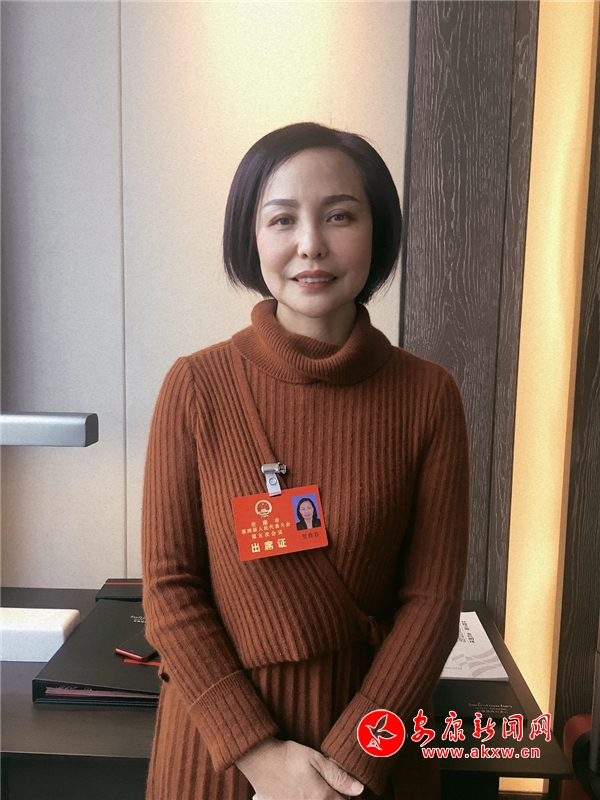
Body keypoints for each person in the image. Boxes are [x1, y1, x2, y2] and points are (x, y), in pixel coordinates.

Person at [142, 122, 470, 800]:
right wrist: (260, 757)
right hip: (219, 760)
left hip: (372, 762)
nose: (311, 244)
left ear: (377, 231)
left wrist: (349, 765)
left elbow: (432, 606)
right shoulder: (196, 386)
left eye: (340, 216)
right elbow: (171, 591)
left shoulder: (429, 396)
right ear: (252, 236)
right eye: (282, 219)